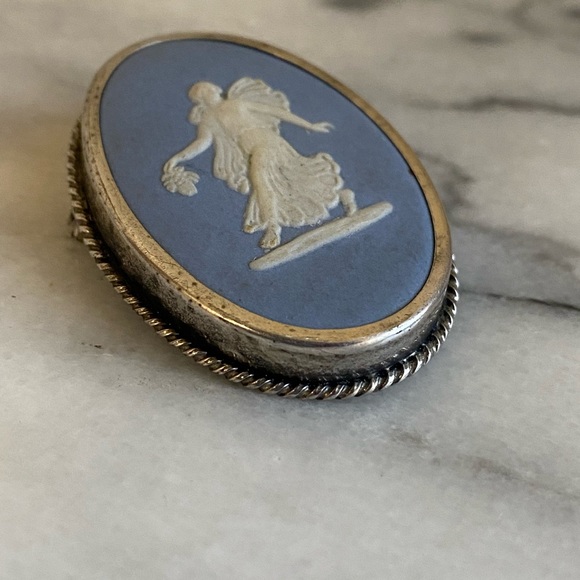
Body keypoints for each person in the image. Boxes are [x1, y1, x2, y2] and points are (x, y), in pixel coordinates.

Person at [163, 78, 357, 250]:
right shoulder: (208, 119)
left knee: (262, 182)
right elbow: (202, 142)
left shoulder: (236, 103)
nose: (210, 92)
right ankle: (342, 196)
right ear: (201, 98)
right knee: (292, 180)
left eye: (209, 89)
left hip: (267, 143)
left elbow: (274, 111)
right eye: (203, 92)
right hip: (255, 149)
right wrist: (178, 157)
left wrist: (309, 125)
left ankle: (273, 227)